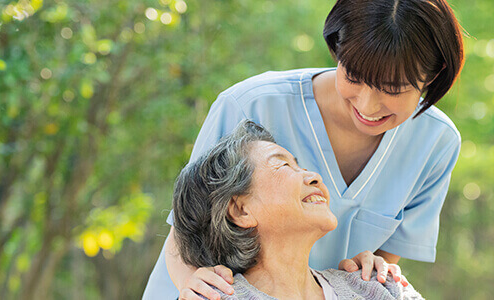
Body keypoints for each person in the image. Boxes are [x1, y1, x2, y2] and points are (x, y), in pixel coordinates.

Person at [142, 0, 464, 298]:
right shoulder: (251, 105)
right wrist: (192, 284)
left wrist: (370, 266)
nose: (368, 105)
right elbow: (186, 227)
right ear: (338, 50)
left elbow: (382, 259)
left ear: (431, 77)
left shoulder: (436, 143)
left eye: (393, 89)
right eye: (354, 75)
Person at [171, 120, 423, 299]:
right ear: (241, 210)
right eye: (282, 166)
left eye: (300, 165)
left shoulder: (378, 287)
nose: (314, 176)